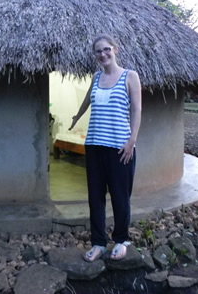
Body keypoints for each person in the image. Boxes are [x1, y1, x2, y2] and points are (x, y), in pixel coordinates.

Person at [69, 34, 142, 262]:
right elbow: (88, 100)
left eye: (106, 49)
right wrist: (76, 116)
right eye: (98, 51)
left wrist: (132, 141)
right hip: (94, 145)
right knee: (95, 198)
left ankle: (121, 240)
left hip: (120, 148)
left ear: (115, 49)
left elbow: (137, 109)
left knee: (120, 197)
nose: (103, 54)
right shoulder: (96, 77)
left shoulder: (130, 76)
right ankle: (99, 243)